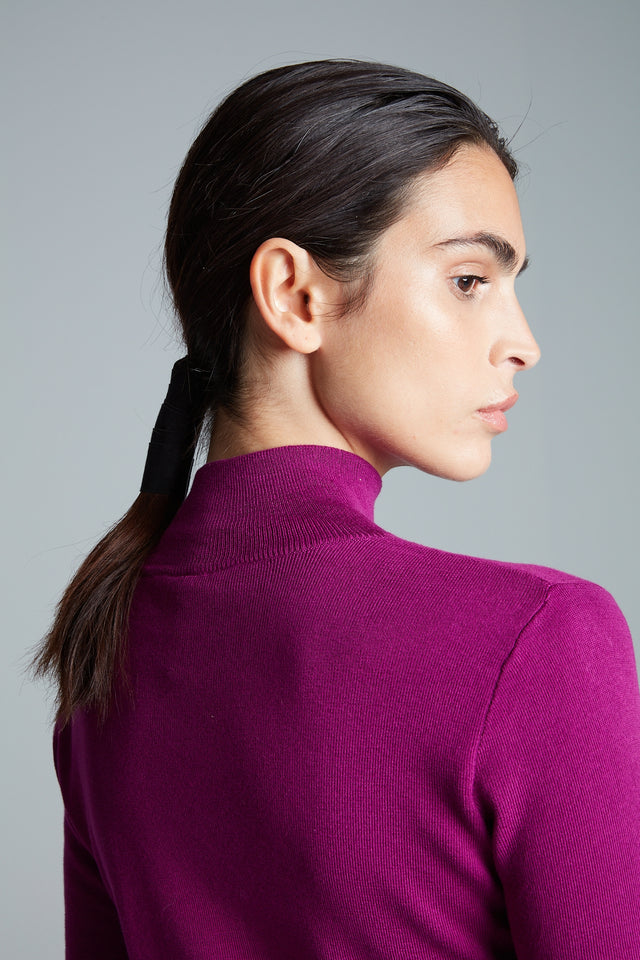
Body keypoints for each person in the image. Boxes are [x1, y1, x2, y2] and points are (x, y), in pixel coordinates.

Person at [34, 60, 640, 959]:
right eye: (470, 279)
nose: (524, 344)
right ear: (295, 295)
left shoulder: (101, 660)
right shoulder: (538, 638)